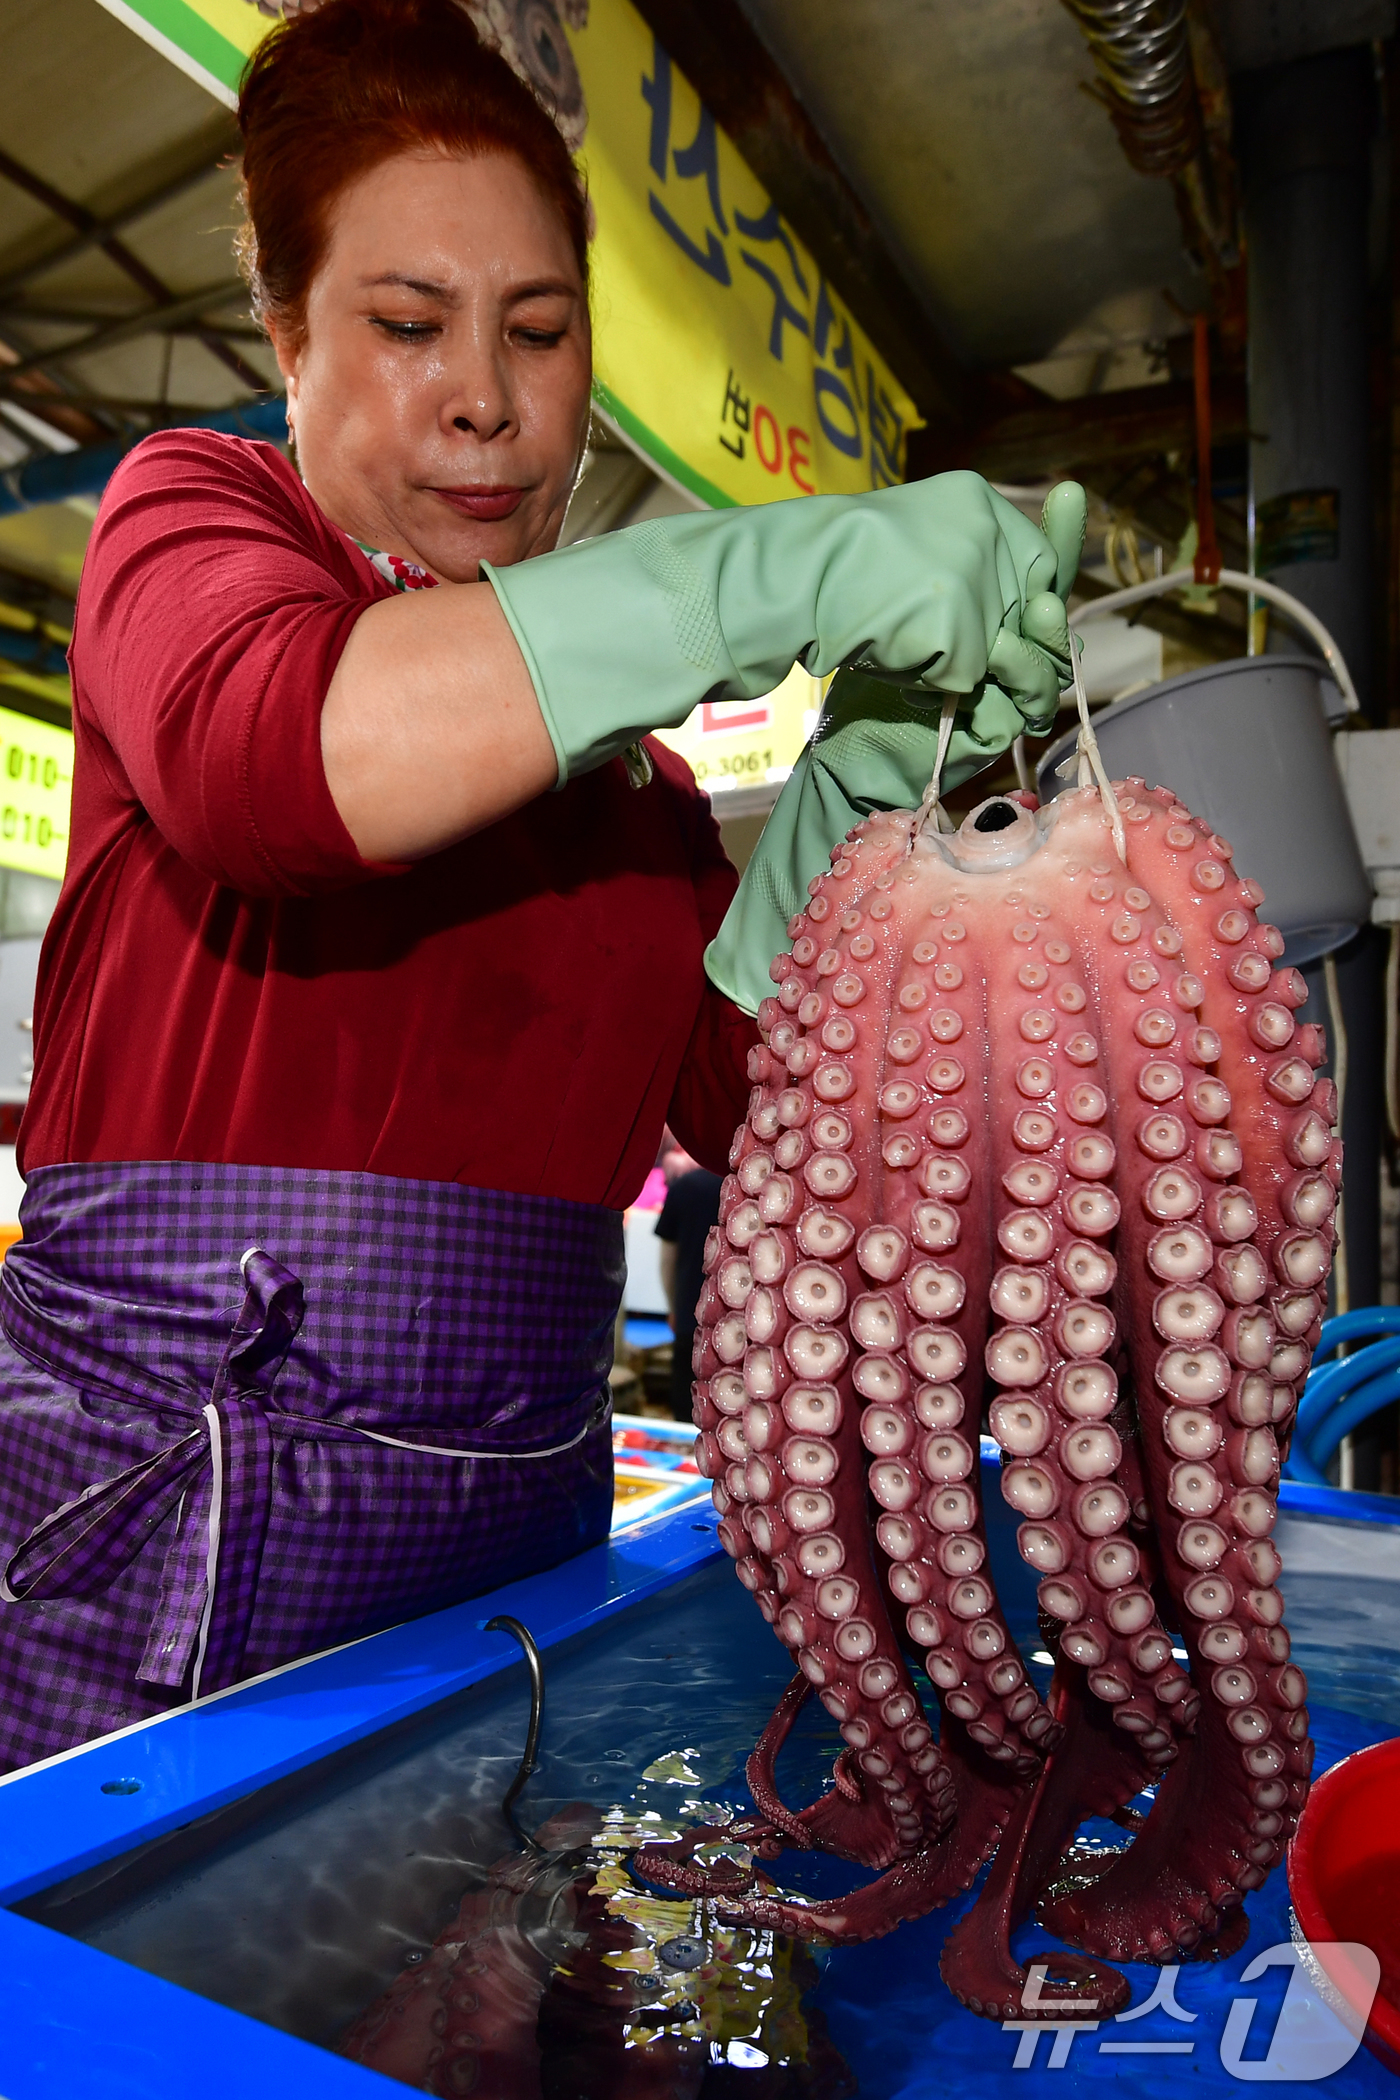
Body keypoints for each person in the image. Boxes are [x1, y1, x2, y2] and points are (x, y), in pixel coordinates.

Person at [0, 0, 1086, 1769]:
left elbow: (761, 1106)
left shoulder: (638, 797)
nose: (489, 401)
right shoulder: (194, 526)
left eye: (539, 329)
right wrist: (767, 578)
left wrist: (877, 771)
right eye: (408, 325)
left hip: (507, 1592)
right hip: (147, 1565)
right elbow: (267, 763)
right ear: (290, 339)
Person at [655, 1145, 722, 1422]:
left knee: (685, 1402)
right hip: (745, 1322)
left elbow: (667, 1259)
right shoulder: (757, 1190)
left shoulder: (685, 1187)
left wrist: (673, 1305)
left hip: (689, 1311)